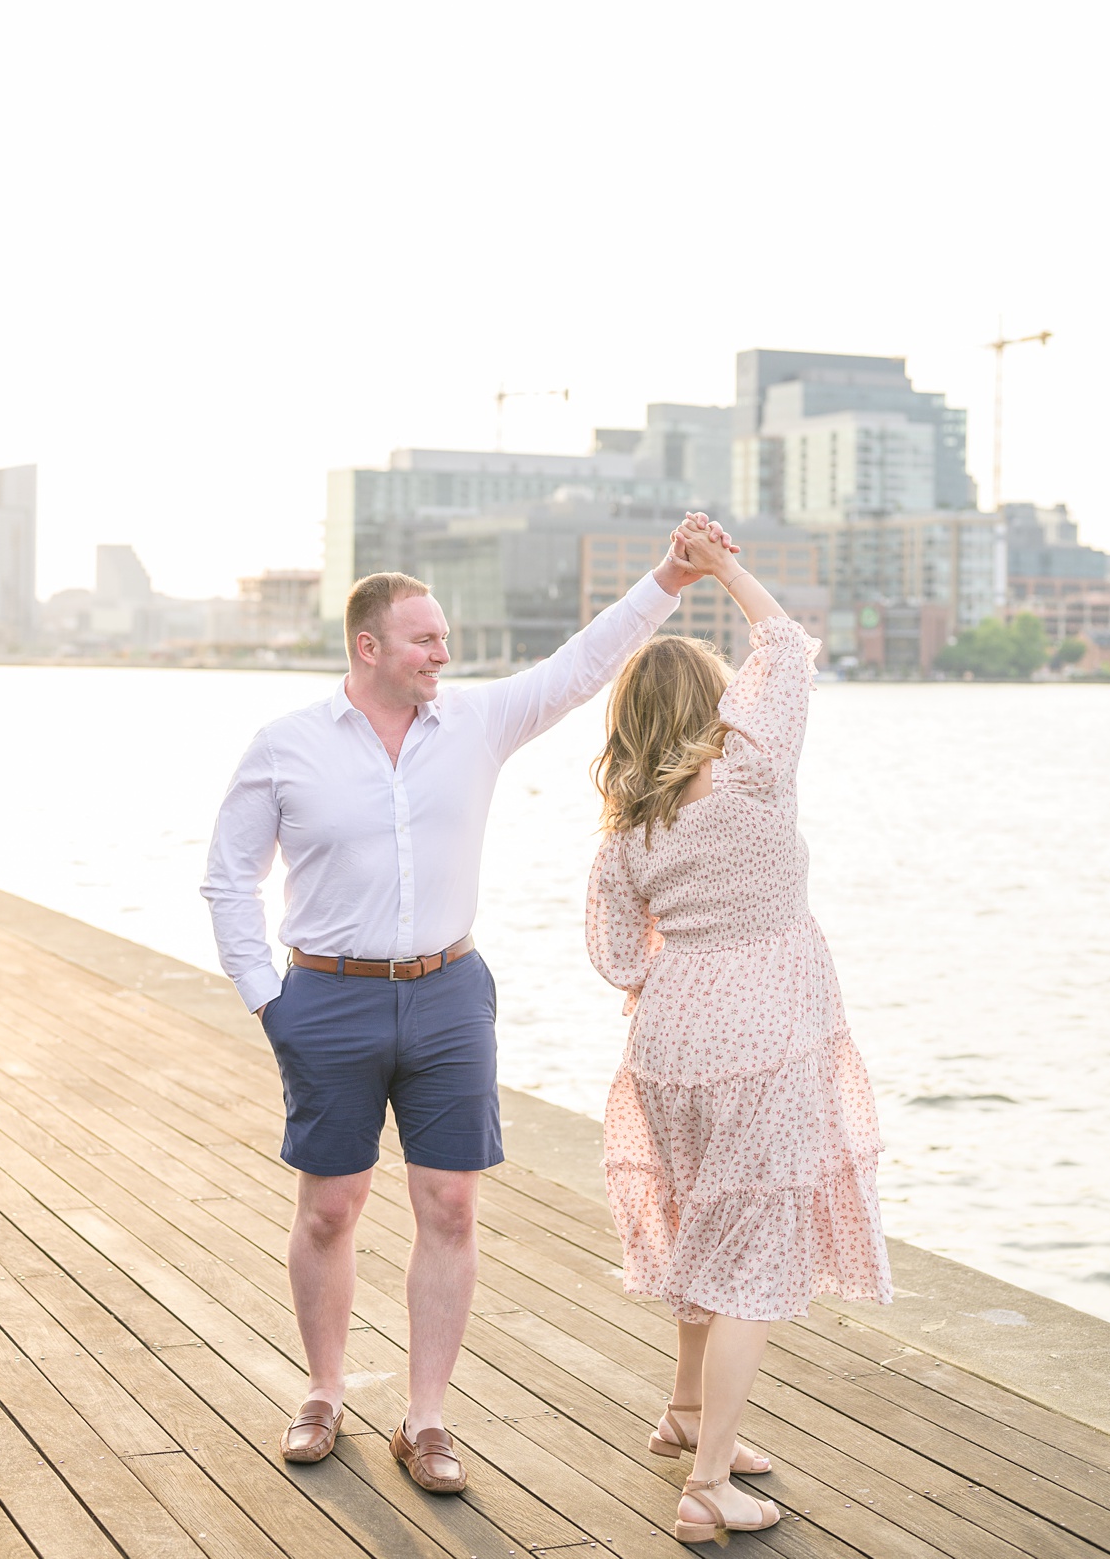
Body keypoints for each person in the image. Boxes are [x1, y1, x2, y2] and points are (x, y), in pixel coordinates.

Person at [201, 514, 729, 1491]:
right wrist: (270, 1002)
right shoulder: (286, 746)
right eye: (424, 638)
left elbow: (580, 665)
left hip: (448, 993)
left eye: (443, 638)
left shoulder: (478, 723)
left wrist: (668, 576)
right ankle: (323, 1391)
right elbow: (230, 879)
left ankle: (428, 1418)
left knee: (448, 1203)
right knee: (330, 1208)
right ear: (369, 647)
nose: (444, 652)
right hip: (327, 995)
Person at [585, 522, 890, 1543]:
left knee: (699, 1223)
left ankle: (684, 1411)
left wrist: (669, 969)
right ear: (711, 705)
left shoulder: (628, 826)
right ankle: (710, 1481)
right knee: (751, 1252)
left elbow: (617, 955)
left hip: (672, 1038)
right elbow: (787, 647)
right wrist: (721, 569)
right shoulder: (753, 768)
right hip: (764, 1029)